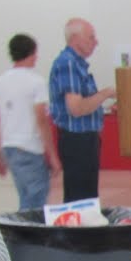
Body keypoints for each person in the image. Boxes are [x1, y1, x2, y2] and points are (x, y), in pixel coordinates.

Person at [0, 33, 60, 212]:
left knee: (25, 197)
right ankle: (29, 238)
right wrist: (52, 155)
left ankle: (22, 235)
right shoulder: (36, 82)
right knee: (36, 202)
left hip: (10, 147)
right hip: (30, 147)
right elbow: (41, 120)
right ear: (33, 53)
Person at [48, 17, 115, 204]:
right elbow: (76, 108)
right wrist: (106, 93)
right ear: (76, 39)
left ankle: (86, 230)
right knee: (79, 198)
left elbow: (85, 103)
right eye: (91, 37)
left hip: (86, 139)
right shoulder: (67, 63)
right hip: (76, 141)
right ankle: (77, 232)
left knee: (88, 196)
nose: (96, 42)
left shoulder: (77, 64)